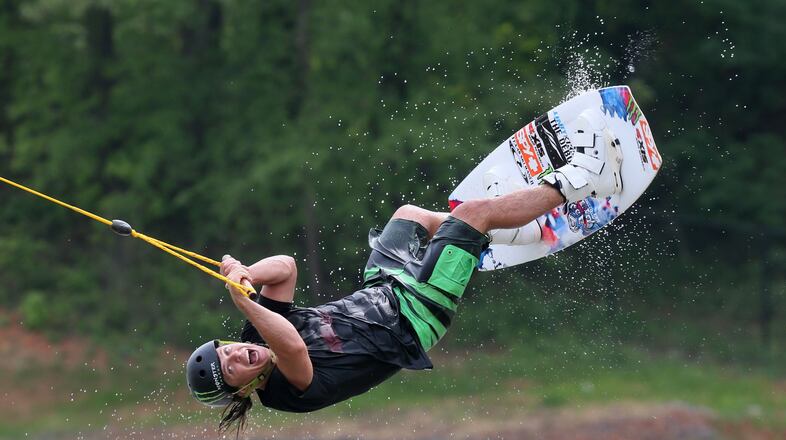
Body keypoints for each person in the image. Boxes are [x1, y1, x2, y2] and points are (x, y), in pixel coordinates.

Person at [185, 110, 623, 434]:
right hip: (414, 319)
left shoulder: (254, 334)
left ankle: (511, 232)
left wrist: (248, 272)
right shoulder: (281, 394)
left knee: (411, 215)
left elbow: (285, 269)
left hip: (384, 287)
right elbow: (296, 350)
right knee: (470, 213)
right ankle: (582, 178)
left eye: (227, 350)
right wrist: (246, 300)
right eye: (233, 368)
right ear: (242, 391)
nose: (238, 354)